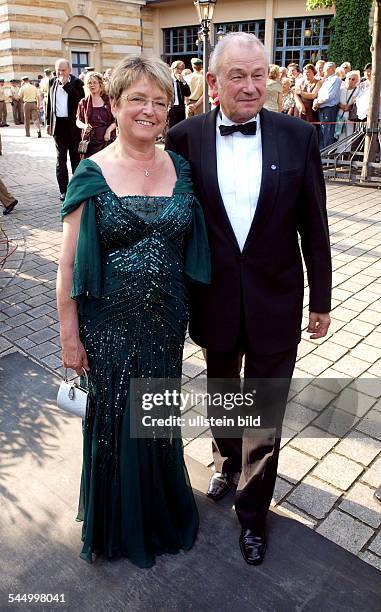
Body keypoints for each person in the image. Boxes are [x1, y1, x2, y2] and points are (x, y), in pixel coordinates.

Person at [166, 31, 331, 566]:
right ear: (213, 82)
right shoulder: (184, 136)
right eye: (237, 75)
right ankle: (224, 459)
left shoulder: (298, 137)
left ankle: (254, 513)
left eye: (259, 74)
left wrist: (321, 300)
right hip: (213, 297)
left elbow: (316, 225)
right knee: (221, 390)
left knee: (264, 410)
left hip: (277, 299)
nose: (250, 85)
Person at [57, 54, 210, 568]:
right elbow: (67, 263)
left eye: (160, 101)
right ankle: (118, 524)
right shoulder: (92, 171)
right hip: (108, 325)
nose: (149, 110)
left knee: (157, 416)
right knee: (115, 419)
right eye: (138, 99)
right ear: (115, 105)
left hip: (167, 322)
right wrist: (69, 335)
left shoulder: (181, 168)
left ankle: (159, 509)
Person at [46, 58, 84, 201]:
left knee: (75, 159)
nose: (60, 73)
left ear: (69, 70)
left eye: (63, 70)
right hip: (58, 126)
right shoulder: (52, 82)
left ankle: (77, 189)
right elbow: (49, 103)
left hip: (73, 127)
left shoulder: (77, 83)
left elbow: (80, 100)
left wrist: (67, 85)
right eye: (58, 70)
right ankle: (64, 190)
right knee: (60, 160)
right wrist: (48, 123)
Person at [76, 71, 116, 157]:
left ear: (100, 84)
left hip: (107, 140)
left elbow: (117, 120)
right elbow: (78, 121)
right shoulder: (83, 102)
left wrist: (108, 131)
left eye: (95, 82)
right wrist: (84, 126)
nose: (92, 85)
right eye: (89, 83)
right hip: (90, 141)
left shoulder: (109, 101)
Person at [313, 61, 341, 149]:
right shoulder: (326, 79)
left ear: (331, 69)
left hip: (329, 108)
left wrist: (318, 102)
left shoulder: (335, 79)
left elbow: (329, 96)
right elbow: (321, 94)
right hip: (322, 108)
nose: (323, 70)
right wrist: (316, 102)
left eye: (324, 68)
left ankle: (327, 154)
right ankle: (322, 153)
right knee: (322, 132)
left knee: (328, 132)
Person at [335, 70, 360, 152]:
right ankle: (339, 154)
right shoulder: (341, 89)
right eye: (349, 78)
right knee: (340, 135)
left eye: (353, 79)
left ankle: (347, 154)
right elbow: (336, 100)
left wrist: (350, 106)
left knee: (349, 135)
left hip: (350, 116)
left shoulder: (358, 90)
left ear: (357, 81)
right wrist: (340, 105)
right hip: (340, 114)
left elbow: (358, 101)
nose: (350, 81)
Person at [168, 61, 191, 128]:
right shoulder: (169, 80)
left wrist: (183, 81)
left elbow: (188, 93)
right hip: (171, 107)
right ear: (173, 69)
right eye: (177, 69)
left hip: (180, 107)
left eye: (181, 69)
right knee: (172, 128)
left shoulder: (181, 81)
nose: (179, 71)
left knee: (181, 127)